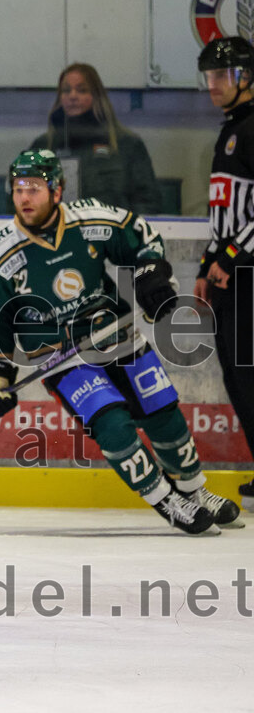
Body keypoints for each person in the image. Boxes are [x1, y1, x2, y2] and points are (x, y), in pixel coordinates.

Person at [0, 150, 243, 535]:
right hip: (62, 358)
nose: (24, 198)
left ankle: (194, 491)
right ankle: (167, 501)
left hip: (116, 335)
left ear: (57, 190)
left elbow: (142, 236)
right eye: (18, 189)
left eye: (34, 188)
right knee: (112, 423)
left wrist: (151, 274)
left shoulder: (91, 220)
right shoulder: (0, 253)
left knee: (162, 411)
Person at [194, 37, 254, 512]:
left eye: (222, 75)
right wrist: (206, 263)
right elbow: (227, 215)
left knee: (249, 376)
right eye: (209, 76)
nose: (213, 84)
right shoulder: (231, 129)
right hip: (232, 279)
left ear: (246, 77)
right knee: (238, 377)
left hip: (249, 276)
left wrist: (229, 258)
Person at [30, 63, 161, 214]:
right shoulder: (44, 146)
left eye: (82, 90)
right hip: (59, 227)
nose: (73, 96)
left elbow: (148, 202)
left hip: (112, 227)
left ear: (96, 96)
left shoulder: (127, 144)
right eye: (66, 91)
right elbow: (22, 198)